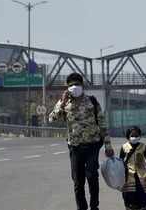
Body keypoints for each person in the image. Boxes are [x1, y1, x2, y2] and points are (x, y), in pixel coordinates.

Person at [48, 73, 114, 210]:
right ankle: (81, 207)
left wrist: (108, 145)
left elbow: (102, 123)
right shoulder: (65, 102)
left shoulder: (92, 101)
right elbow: (52, 119)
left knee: (92, 176)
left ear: (82, 85)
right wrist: (62, 102)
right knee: (78, 181)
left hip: (92, 145)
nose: (74, 87)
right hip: (75, 147)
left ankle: (94, 206)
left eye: (77, 84)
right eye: (71, 85)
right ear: (67, 87)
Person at [119, 126, 146, 210]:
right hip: (129, 177)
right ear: (128, 136)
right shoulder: (124, 147)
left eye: (136, 135)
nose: (134, 137)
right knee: (130, 200)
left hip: (142, 178)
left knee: (144, 199)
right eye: (132, 135)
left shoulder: (143, 147)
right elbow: (120, 162)